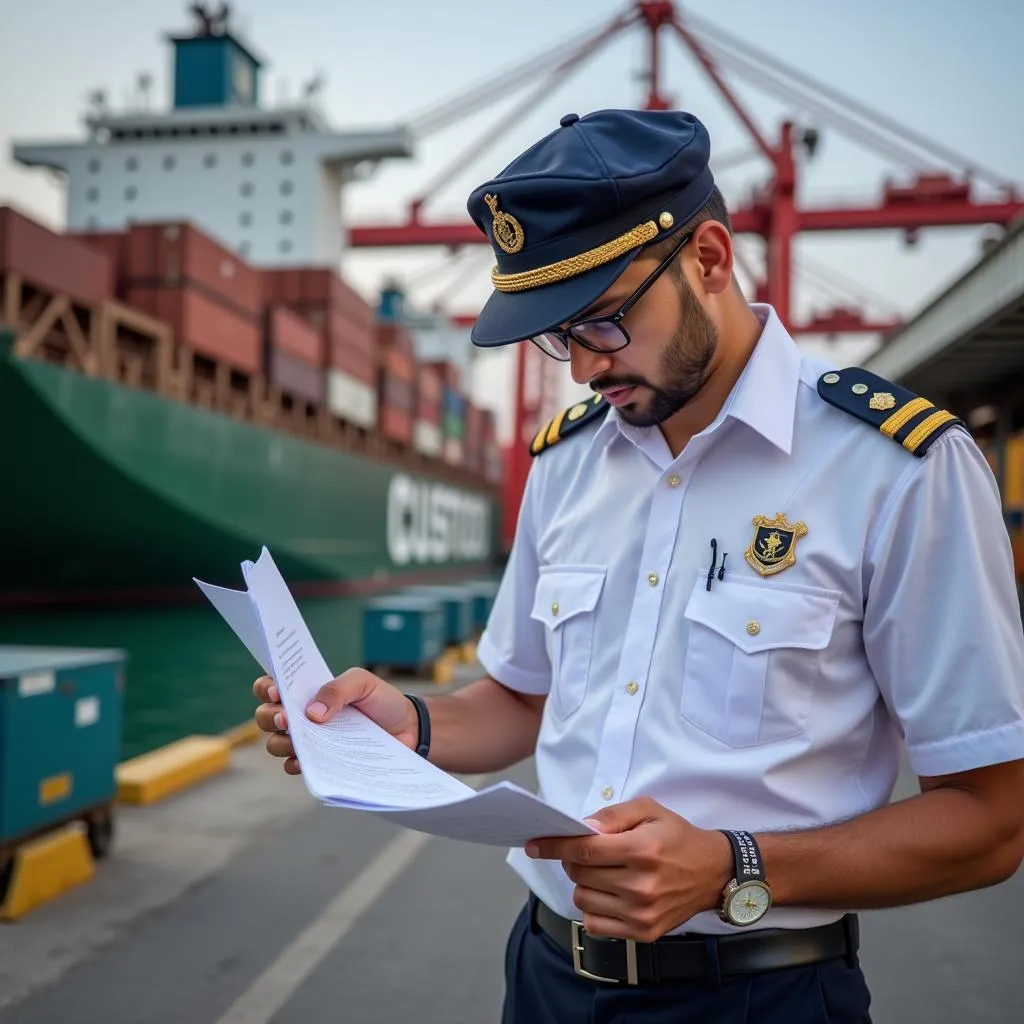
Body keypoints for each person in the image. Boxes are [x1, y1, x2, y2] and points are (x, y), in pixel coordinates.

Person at [252, 109, 1024, 1023]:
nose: (582, 369)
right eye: (557, 336)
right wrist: (404, 722)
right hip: (543, 977)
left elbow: (990, 820)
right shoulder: (568, 462)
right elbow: (526, 700)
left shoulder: (898, 470)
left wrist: (734, 867)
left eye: (604, 323)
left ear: (708, 258)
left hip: (761, 996)